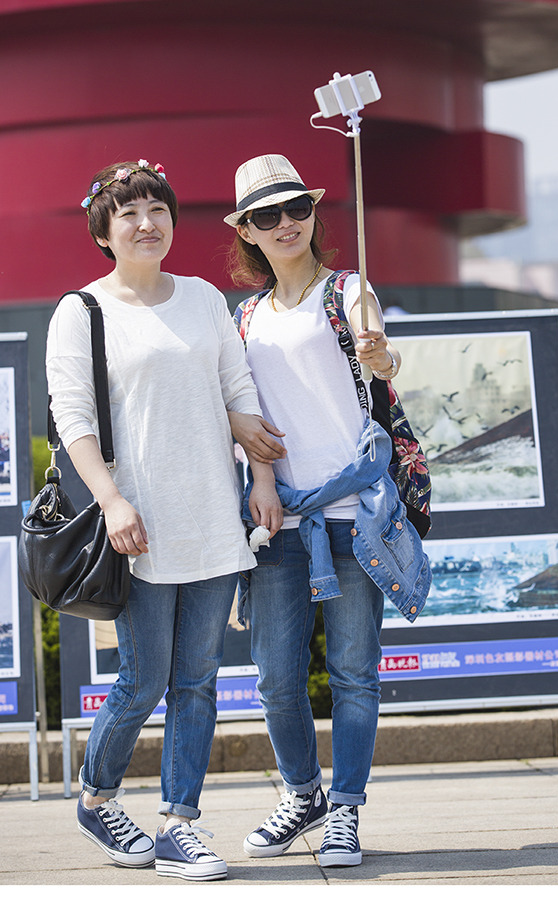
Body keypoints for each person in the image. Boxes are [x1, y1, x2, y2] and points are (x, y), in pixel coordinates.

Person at [47, 160, 283, 881]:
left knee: (199, 682)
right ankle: (97, 797)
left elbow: (237, 389)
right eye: (129, 213)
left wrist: (263, 477)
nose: (147, 223)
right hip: (139, 526)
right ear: (104, 230)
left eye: (158, 209)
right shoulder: (82, 311)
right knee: (143, 682)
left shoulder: (206, 298)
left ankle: (181, 823)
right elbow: (74, 422)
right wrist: (113, 502)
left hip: (213, 517)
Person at [223, 154, 429, 868]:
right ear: (246, 230)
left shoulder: (349, 289)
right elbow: (245, 413)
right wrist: (261, 480)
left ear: (313, 216)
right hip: (278, 514)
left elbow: (381, 362)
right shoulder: (242, 316)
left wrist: (380, 356)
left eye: (295, 209)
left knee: (353, 673)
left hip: (357, 513)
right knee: (275, 678)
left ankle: (345, 810)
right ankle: (301, 793)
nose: (284, 224)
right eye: (265, 215)